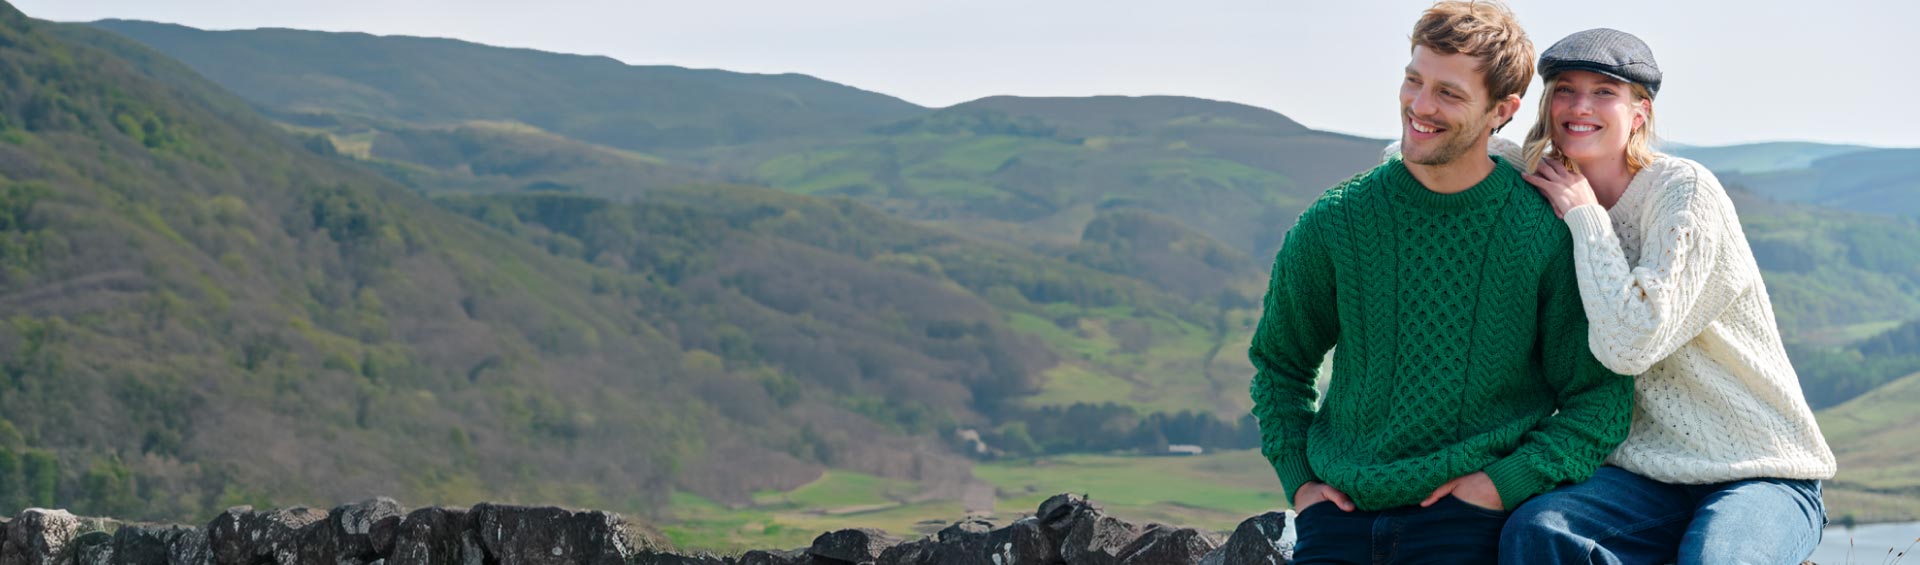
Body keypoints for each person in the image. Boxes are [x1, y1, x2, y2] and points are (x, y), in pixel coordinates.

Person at [1247, 2, 1635, 562]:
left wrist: (1502, 485)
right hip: (1339, 516)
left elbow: (1598, 399)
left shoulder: (1539, 231)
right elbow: (1281, 364)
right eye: (1413, 81)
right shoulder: (1336, 221)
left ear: (1502, 110)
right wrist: (1301, 485)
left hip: (1468, 521)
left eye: (1449, 94)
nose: (1420, 107)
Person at [1498, 28, 1837, 564]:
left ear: (1639, 113)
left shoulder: (1683, 192)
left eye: (1605, 91)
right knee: (1537, 532)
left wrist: (1587, 217)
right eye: (1565, 89)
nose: (1580, 106)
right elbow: (1436, 151)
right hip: (1641, 479)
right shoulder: (1548, 184)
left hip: (1759, 471)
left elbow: (1629, 343)